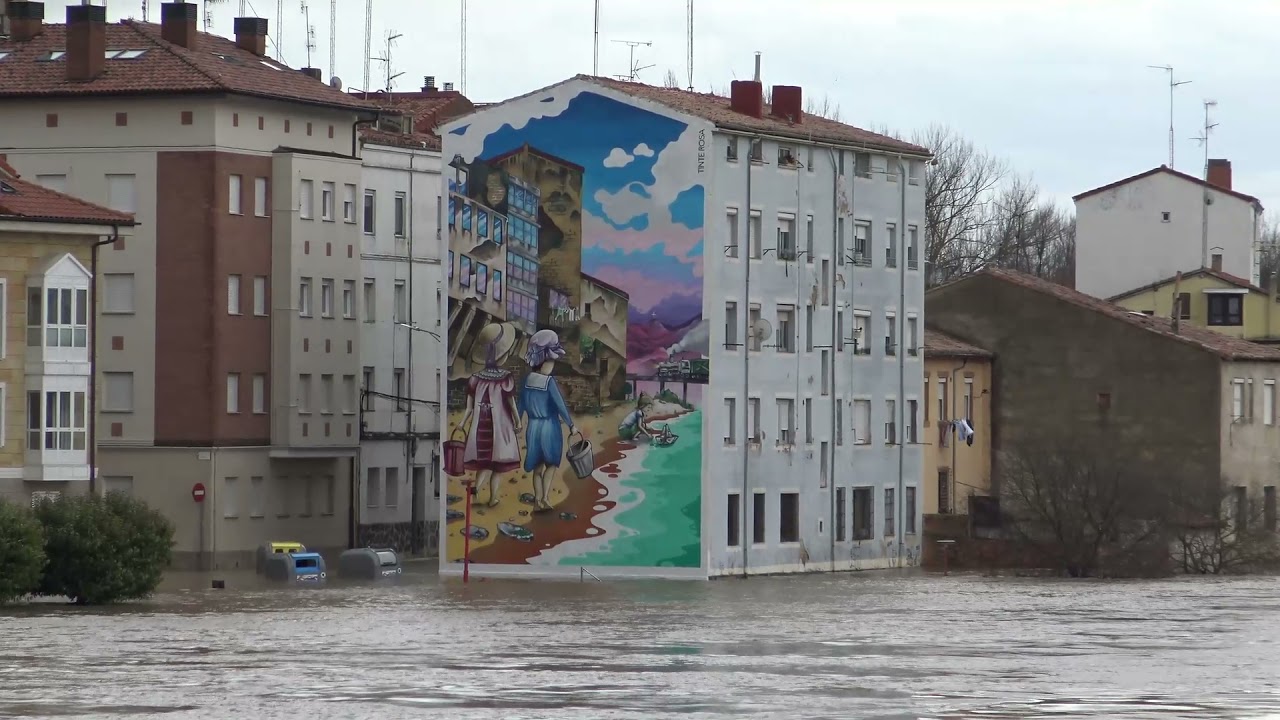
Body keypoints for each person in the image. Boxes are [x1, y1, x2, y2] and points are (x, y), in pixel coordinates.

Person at [457, 322, 521, 507]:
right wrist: (517, 421)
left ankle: (477, 488)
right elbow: (511, 403)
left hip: (480, 430)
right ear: (502, 354)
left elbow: (469, 408)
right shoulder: (506, 378)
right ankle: (493, 498)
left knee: (484, 462)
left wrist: (462, 424)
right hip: (499, 429)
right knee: (498, 466)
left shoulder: (475, 379)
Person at [517, 329, 575, 512]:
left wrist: (517, 422)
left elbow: (520, 405)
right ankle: (544, 498)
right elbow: (560, 405)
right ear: (543, 362)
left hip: (533, 427)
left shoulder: (526, 381)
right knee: (551, 463)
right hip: (550, 426)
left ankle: (537, 501)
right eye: (551, 361)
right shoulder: (548, 382)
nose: (552, 365)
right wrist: (571, 425)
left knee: (537, 466)